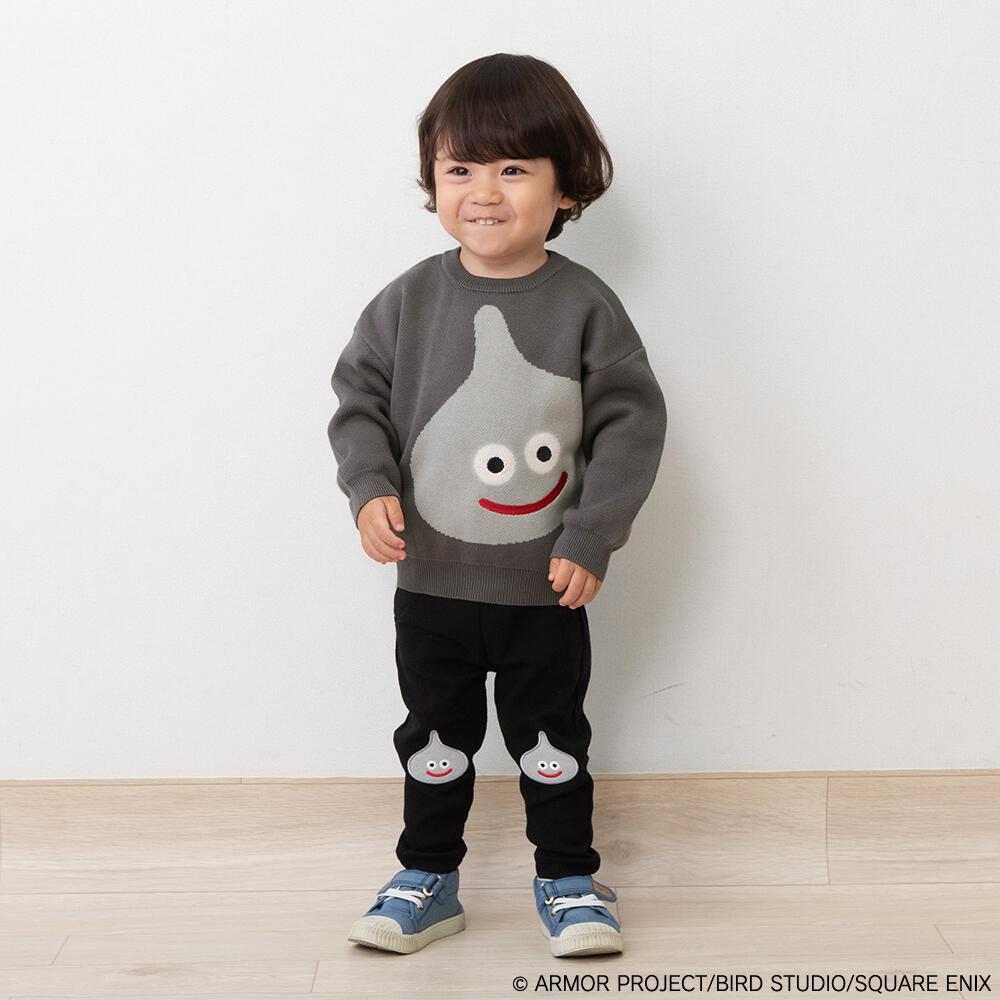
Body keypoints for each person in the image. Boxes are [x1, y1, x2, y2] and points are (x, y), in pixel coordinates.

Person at [328, 53, 667, 958]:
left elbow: (632, 426)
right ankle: (427, 878)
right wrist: (369, 488)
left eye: (513, 167)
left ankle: (569, 878)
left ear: (567, 187)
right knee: (433, 741)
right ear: (433, 182)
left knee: (552, 741)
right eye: (460, 168)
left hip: (544, 587)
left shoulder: (585, 305)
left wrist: (592, 533)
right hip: (430, 585)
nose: (483, 191)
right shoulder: (408, 302)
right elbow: (357, 401)